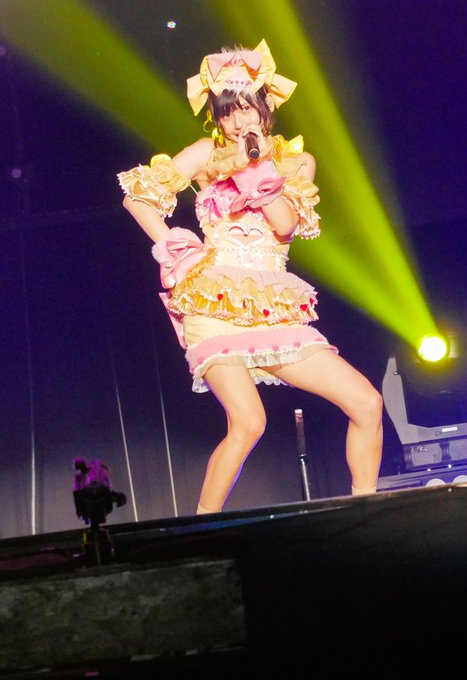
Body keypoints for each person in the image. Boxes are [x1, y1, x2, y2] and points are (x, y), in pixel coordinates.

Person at [118, 40, 383, 514]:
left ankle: (368, 512)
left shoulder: (296, 162)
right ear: (216, 118)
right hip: (214, 304)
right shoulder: (207, 154)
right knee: (248, 423)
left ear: (266, 108)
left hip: (274, 305)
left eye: (246, 108)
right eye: (227, 113)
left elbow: (285, 225)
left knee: (366, 402)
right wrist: (171, 243)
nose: (238, 121)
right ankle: (203, 527)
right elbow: (137, 197)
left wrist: (257, 169)